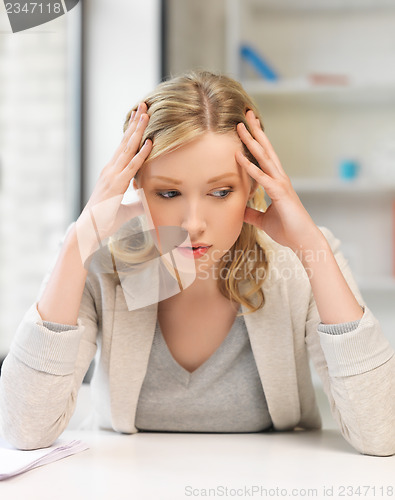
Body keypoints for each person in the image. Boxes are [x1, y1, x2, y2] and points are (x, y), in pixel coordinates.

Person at [0, 70, 394, 456]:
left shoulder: (302, 260)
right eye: (168, 193)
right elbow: (24, 429)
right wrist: (76, 244)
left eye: (221, 191)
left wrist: (312, 247)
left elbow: (383, 434)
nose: (192, 223)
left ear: (254, 184)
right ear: (135, 184)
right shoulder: (101, 261)